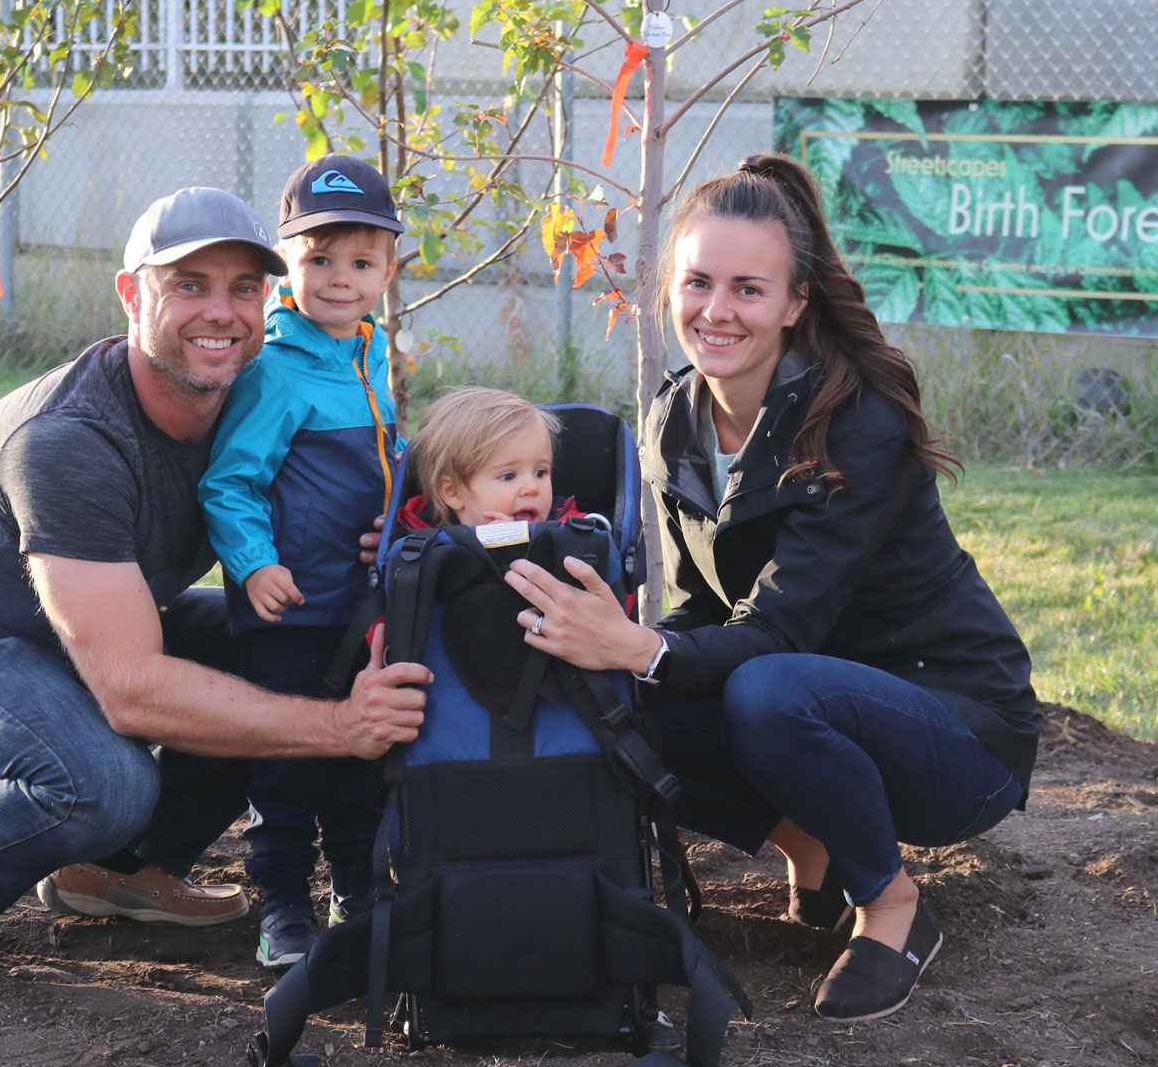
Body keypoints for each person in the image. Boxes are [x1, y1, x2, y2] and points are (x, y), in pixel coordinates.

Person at [503, 153, 1041, 1023]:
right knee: (617, 694)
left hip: (957, 731)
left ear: (795, 303)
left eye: (748, 289)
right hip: (811, 699)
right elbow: (703, 612)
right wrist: (618, 654)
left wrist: (640, 646)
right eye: (698, 283)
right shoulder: (673, 417)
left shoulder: (855, 420)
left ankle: (894, 906)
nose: (717, 311)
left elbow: (779, 632)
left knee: (757, 686)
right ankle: (812, 844)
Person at [0, 186, 430, 978]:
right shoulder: (69, 445)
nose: (220, 312)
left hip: (74, 626)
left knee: (281, 649)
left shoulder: (241, 393)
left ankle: (123, 869)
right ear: (131, 293)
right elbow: (133, 692)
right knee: (101, 782)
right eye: (189, 284)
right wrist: (338, 727)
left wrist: (374, 521)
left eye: (243, 288)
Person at [198, 155, 406, 969]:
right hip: (290, 607)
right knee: (286, 770)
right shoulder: (277, 370)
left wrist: (399, 511)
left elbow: (385, 454)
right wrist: (253, 565)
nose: (339, 280)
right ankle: (282, 901)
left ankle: (354, 885)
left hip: (361, 605)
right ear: (290, 263)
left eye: (360, 262)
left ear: (389, 268)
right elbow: (230, 482)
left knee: (364, 757)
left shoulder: (369, 354)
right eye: (319, 260)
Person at [395, 385, 573, 528]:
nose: (533, 487)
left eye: (540, 473)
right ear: (454, 492)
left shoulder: (565, 525)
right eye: (508, 476)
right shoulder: (423, 539)